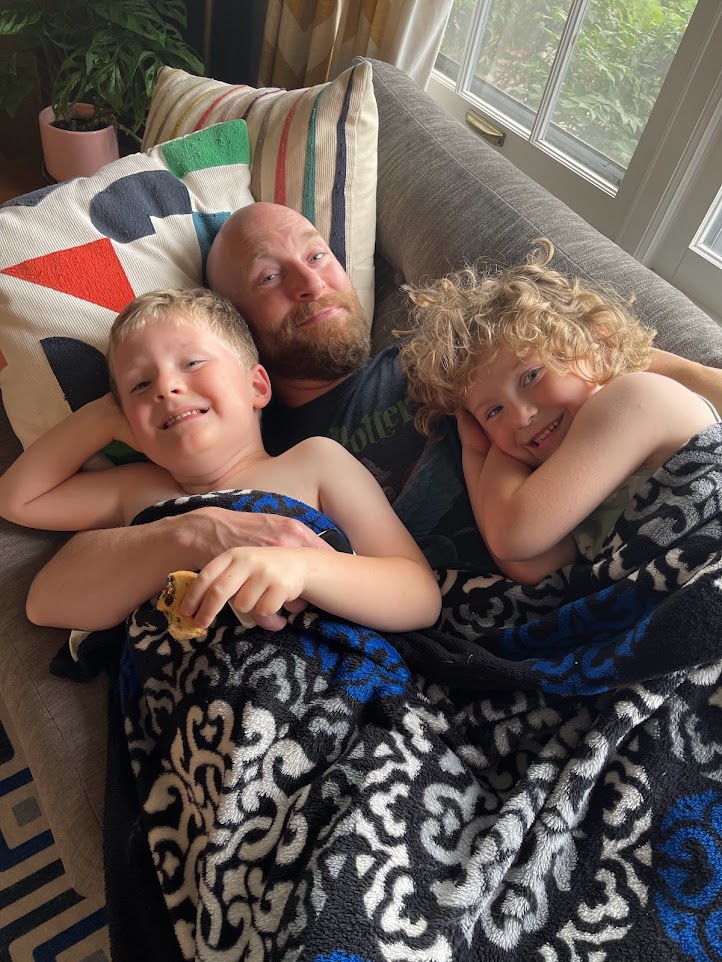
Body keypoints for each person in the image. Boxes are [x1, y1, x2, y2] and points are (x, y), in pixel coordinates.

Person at [22, 203, 722, 630]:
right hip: (506, 611)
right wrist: (127, 406)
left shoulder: (440, 360)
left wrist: (691, 376)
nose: (311, 281)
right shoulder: (246, 456)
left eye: (318, 254)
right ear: (243, 344)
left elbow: (587, 357)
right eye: (270, 276)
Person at [0, 288, 441, 634]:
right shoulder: (136, 489)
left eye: (192, 362)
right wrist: (104, 415)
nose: (165, 387)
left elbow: (418, 595)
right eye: (141, 385)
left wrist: (303, 568)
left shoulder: (313, 462)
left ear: (257, 387)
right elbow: (20, 505)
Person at [397, 238, 719, 585]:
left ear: (597, 344)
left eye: (531, 376)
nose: (521, 416)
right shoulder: (575, 484)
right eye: (494, 411)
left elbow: (512, 536)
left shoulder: (636, 397)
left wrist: (488, 452)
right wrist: (478, 449)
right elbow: (536, 568)